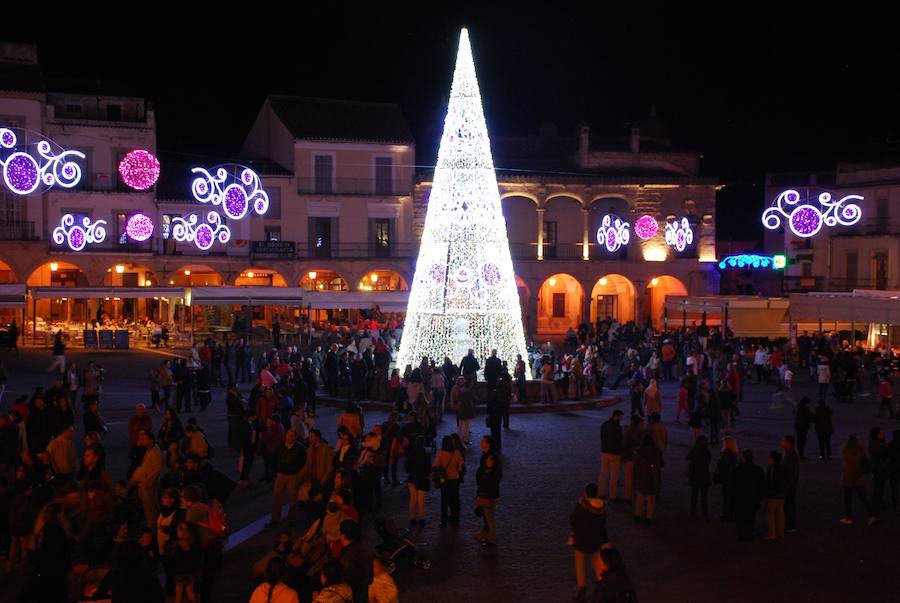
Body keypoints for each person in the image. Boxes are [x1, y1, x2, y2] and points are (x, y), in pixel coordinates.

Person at [569, 483, 608, 602]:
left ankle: (582, 590)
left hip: (581, 540)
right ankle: (604, 589)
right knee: (597, 564)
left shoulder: (581, 507)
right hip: (596, 540)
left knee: (580, 565)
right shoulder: (604, 508)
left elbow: (573, 520)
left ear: (586, 493)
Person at [269, 429, 306, 527]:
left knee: (293, 499)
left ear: (295, 437)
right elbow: (273, 458)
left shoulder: (300, 449)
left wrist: (299, 474)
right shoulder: (280, 446)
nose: (288, 437)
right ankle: (275, 519)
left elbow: (303, 463)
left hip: (292, 476)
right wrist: (275, 472)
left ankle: (291, 520)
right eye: (288, 435)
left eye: (291, 436)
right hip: (281, 475)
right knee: (276, 498)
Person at [840, 434, 876, 525]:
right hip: (859, 478)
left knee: (847, 499)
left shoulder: (846, 452)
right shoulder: (860, 451)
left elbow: (847, 468)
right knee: (863, 498)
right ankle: (872, 515)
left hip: (849, 479)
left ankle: (849, 518)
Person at [130, 430, 163, 527]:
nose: (142, 440)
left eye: (145, 439)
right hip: (145, 483)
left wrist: (149, 482)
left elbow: (157, 469)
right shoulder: (149, 450)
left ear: (151, 440)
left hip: (149, 485)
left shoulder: (155, 452)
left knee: (150, 509)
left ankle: (152, 530)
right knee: (150, 507)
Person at [731, 449, 765, 541]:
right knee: (751, 518)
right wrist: (759, 498)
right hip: (752, 499)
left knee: (740, 518)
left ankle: (741, 534)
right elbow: (762, 486)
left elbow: (733, 485)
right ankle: (749, 534)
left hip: (740, 499)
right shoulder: (758, 470)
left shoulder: (737, 470)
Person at [475, 436, 501, 547]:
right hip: (485, 492)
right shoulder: (485, 456)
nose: (481, 442)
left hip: (488, 494)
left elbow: (494, 479)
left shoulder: (491, 460)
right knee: (487, 516)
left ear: (488, 443)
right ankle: (487, 535)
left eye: (483, 441)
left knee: (489, 517)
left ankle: (491, 539)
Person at [338, 520, 373, 603]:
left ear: (343, 535)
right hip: (364, 593)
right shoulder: (366, 550)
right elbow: (370, 578)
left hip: (353, 595)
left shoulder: (347, 558)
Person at [433, 435, 465, 527]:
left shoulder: (441, 454)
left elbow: (435, 466)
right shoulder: (457, 453)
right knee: (454, 499)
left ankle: (443, 521)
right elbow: (461, 466)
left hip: (444, 480)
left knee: (444, 500)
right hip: (454, 479)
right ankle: (455, 519)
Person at [633, 433, 663, 524]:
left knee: (640, 497)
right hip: (653, 477)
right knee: (651, 499)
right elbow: (662, 464)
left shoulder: (639, 451)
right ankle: (648, 517)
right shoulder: (657, 451)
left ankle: (638, 515)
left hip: (642, 476)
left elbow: (636, 465)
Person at [598, 410, 624, 500]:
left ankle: (601, 493)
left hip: (605, 451)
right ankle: (612, 495)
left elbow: (601, 436)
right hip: (615, 453)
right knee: (614, 475)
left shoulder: (605, 424)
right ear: (616, 416)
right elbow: (620, 440)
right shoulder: (618, 428)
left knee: (603, 473)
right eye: (621, 417)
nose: (621, 419)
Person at [686, 435, 711, 521]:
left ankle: (693, 512)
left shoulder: (694, 450)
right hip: (704, 475)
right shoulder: (707, 452)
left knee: (694, 495)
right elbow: (708, 463)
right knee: (704, 496)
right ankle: (705, 513)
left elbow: (687, 458)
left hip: (695, 475)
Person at [764, 450, 787, 540]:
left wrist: (768, 492)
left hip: (773, 495)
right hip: (781, 494)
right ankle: (780, 532)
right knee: (780, 515)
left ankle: (772, 534)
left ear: (773, 459)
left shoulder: (772, 468)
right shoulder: (782, 467)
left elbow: (771, 482)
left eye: (769, 457)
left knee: (770, 514)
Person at [714, 437, 739, 520]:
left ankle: (726, 514)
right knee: (730, 498)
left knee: (726, 497)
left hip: (726, 478)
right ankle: (730, 514)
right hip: (732, 479)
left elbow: (723, 466)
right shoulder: (735, 454)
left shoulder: (725, 454)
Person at [781, 435, 800, 531]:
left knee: (789, 505)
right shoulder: (790, 453)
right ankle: (789, 524)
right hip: (790, 484)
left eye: (783, 441)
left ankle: (790, 525)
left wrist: (787, 486)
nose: (781, 442)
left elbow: (791, 473)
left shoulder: (790, 455)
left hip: (789, 485)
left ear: (788, 443)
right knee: (789, 505)